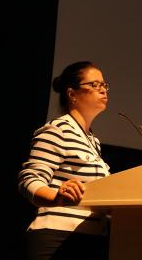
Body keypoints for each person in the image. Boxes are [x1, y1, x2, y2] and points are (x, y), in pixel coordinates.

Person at [18, 61, 111, 260]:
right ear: (72, 94)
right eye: (95, 85)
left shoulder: (93, 141)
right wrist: (57, 198)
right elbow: (29, 180)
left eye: (104, 85)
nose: (103, 90)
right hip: (57, 239)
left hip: (91, 241)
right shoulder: (58, 130)